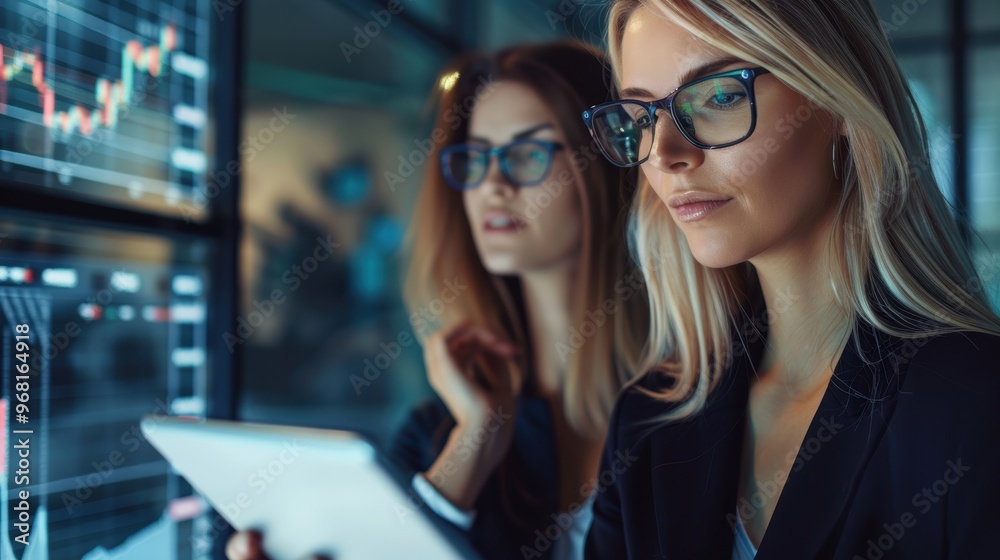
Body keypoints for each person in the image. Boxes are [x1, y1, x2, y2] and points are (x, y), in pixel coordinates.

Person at [579, 1, 1000, 559]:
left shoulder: (973, 403)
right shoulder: (648, 420)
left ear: (839, 99)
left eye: (719, 97)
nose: (667, 155)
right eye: (642, 118)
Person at [227, 40, 648, 560]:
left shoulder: (701, 405)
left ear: (612, 160)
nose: (492, 184)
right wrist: (473, 444)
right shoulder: (434, 438)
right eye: (475, 158)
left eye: (527, 154)